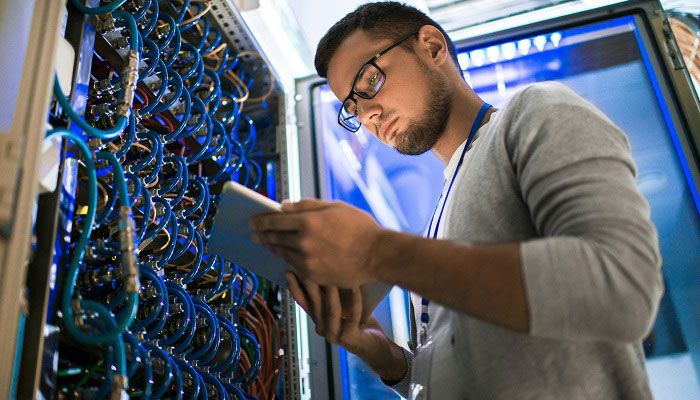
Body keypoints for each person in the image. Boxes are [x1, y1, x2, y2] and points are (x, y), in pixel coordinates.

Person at [250, 2, 663, 399]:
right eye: (352, 108)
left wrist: (375, 251)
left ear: (431, 47)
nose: (368, 115)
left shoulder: (535, 112)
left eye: (371, 81)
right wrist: (382, 354)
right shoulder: (439, 216)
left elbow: (622, 286)